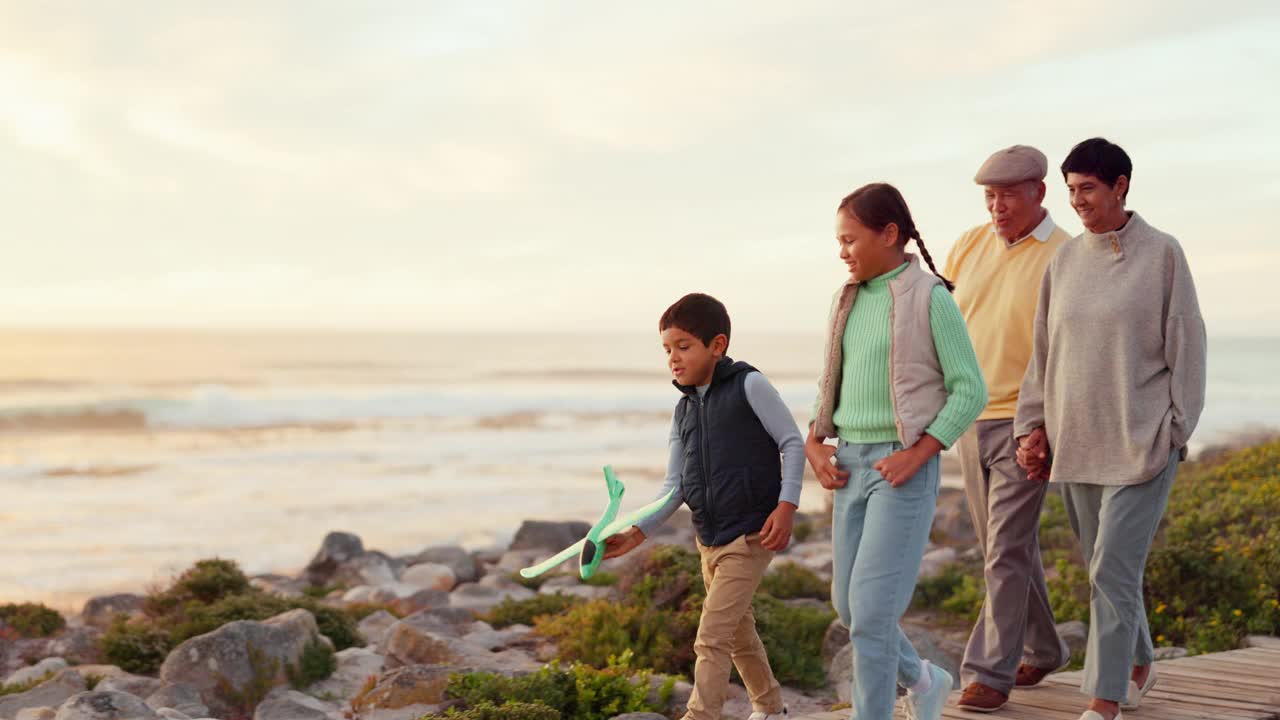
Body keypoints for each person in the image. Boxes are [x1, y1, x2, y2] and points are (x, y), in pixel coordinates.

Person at [1015, 138, 1207, 720]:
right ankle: (1140, 658)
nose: (1077, 201)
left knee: (1110, 569)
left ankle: (1104, 699)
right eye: (1071, 190)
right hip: (1079, 442)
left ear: (1121, 185)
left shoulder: (1163, 254)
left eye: (1088, 189)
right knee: (1106, 568)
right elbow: (1044, 351)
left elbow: (1188, 345)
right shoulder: (1065, 261)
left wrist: (1175, 430)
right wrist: (1034, 426)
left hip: (1142, 442)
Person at [806, 182, 987, 720]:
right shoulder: (847, 298)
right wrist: (816, 442)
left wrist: (919, 453)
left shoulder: (929, 297)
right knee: (849, 606)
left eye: (850, 240)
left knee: (871, 616)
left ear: (890, 234)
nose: (842, 252)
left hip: (901, 469)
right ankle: (925, 679)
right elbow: (831, 381)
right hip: (850, 465)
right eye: (838, 242)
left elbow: (970, 389)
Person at [603, 292, 803, 720]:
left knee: (710, 637)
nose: (673, 358)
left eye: (683, 346)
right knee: (737, 634)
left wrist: (786, 507)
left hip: (751, 534)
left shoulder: (750, 385)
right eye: (667, 349)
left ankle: (701, 715)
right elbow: (673, 488)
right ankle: (770, 708)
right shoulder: (683, 411)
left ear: (717, 345)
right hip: (709, 540)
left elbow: (791, 442)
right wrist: (636, 534)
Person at [943, 145, 1072, 712]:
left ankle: (987, 673)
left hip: (1026, 423)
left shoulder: (1067, 256)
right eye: (989, 197)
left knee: (1004, 551)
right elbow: (940, 323)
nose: (996, 207)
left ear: (1038, 193)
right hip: (969, 418)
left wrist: (1042, 424)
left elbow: (1065, 351)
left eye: (1008, 196)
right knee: (1005, 547)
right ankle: (1044, 648)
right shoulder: (968, 244)